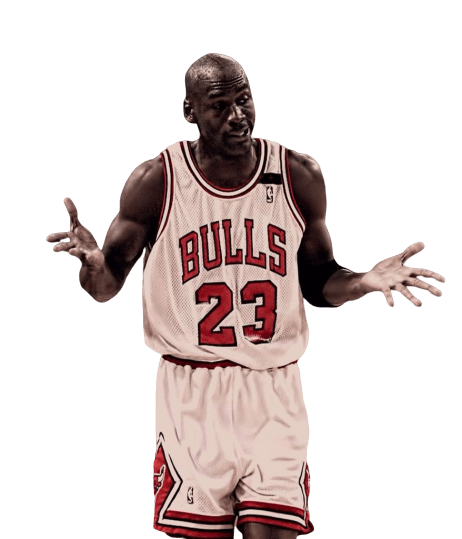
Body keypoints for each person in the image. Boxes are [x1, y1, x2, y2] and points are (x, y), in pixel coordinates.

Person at [46, 53, 446, 539]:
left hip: (274, 390)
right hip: (191, 392)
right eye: (220, 106)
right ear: (190, 111)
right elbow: (106, 287)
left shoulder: (299, 174)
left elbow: (319, 281)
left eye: (245, 99)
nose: (239, 116)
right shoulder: (157, 181)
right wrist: (92, 263)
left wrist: (364, 280)